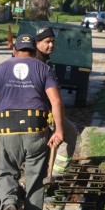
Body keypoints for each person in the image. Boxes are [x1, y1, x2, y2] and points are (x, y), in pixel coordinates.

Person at [0, 34, 65, 210]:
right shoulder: (44, 69)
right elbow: (56, 102)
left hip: (8, 130)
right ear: (35, 52)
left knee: (6, 173)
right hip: (36, 130)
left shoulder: (1, 68)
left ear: (15, 50)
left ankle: (9, 203)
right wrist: (59, 131)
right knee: (35, 181)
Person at [34, 26, 79, 175]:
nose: (51, 45)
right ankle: (55, 174)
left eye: (53, 41)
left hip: (43, 110)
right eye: (47, 41)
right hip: (42, 112)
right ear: (37, 43)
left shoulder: (44, 61)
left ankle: (51, 173)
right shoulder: (37, 62)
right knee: (70, 133)